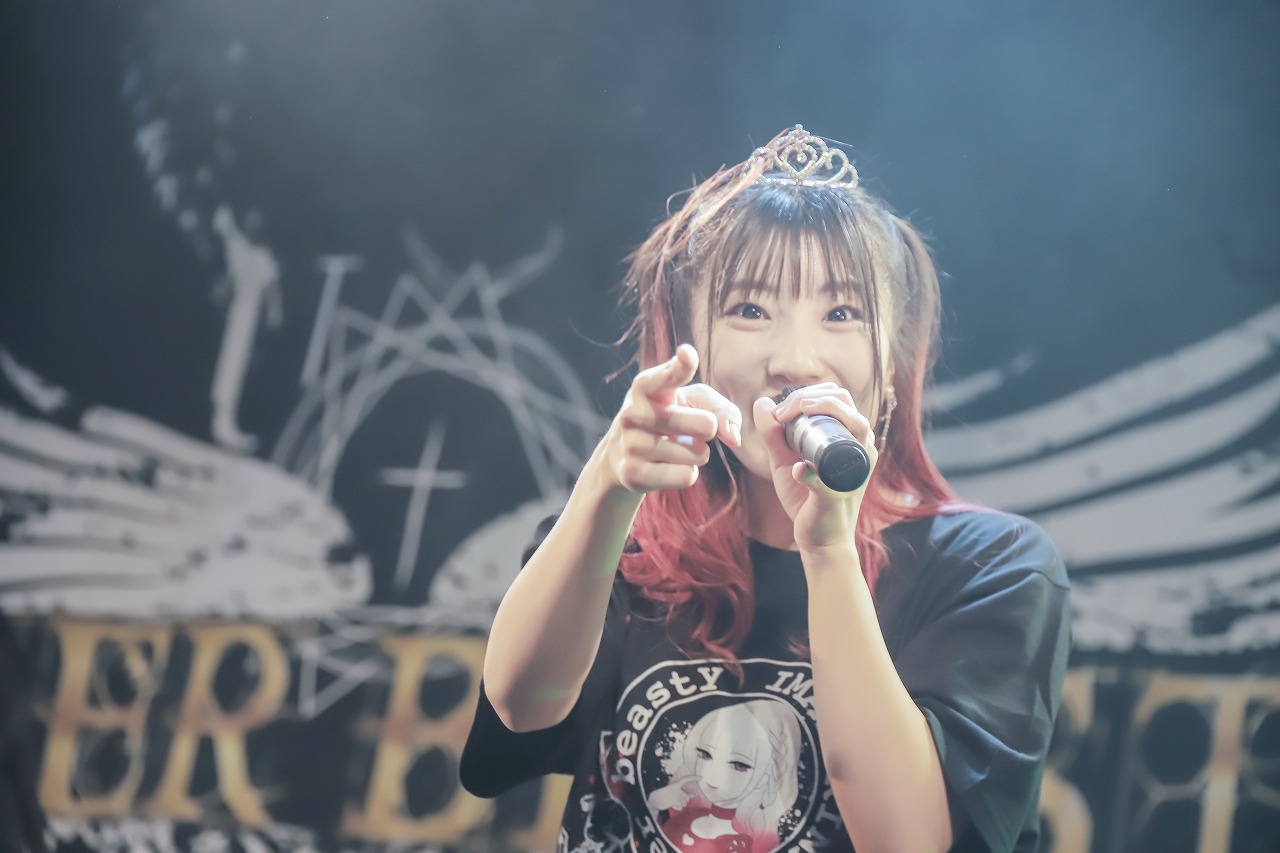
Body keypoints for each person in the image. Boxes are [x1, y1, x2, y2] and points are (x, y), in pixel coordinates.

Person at [461, 125, 1071, 853]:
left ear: (891, 368)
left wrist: (829, 552)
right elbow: (520, 706)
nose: (795, 360)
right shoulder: (622, 542)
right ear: (686, 348)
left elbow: (907, 840)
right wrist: (606, 486)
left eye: (842, 313)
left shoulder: (989, 564)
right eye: (749, 310)